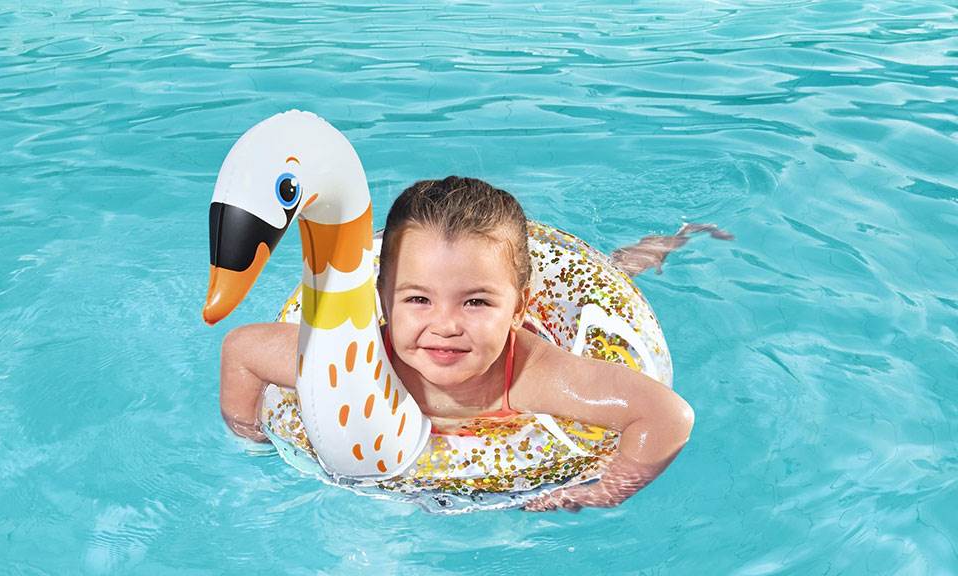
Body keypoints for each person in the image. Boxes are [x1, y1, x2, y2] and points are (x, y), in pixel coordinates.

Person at [220, 177, 729, 512]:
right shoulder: (353, 359)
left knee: (615, 273)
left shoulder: (534, 375)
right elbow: (242, 350)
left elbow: (668, 417)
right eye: (418, 299)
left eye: (476, 302)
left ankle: (652, 249)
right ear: (382, 297)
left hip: (558, 330)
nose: (445, 326)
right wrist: (253, 442)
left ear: (519, 308)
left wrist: (601, 494)